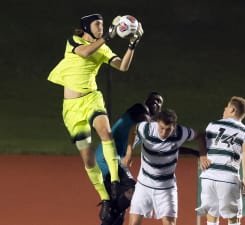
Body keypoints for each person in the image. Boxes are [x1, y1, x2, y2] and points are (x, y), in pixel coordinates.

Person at [47, 13, 144, 220]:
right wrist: (107, 36)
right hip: (72, 108)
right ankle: (105, 198)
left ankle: (116, 182)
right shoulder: (75, 40)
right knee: (88, 159)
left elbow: (123, 66)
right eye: (97, 24)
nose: (101, 27)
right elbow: (84, 52)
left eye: (102, 24)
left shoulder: (102, 47)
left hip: (92, 99)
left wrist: (132, 45)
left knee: (106, 133)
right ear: (86, 27)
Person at [122, 108, 205, 225]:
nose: (164, 133)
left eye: (168, 129)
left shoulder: (181, 132)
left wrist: (203, 154)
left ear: (174, 126)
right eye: (161, 128)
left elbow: (200, 136)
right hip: (143, 185)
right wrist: (129, 153)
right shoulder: (147, 129)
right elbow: (133, 130)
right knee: (134, 223)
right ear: (157, 123)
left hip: (166, 188)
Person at [96, 91, 164, 225]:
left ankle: (111, 211)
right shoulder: (139, 109)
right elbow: (144, 120)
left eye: (159, 102)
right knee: (134, 191)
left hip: (113, 159)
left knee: (120, 212)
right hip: (108, 156)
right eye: (153, 99)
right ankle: (111, 210)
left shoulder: (148, 128)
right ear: (146, 100)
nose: (156, 102)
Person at [196, 96, 245, 225]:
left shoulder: (212, 125)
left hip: (208, 177)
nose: (224, 109)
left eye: (227, 107)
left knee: (211, 216)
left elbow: (204, 144)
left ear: (233, 110)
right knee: (233, 219)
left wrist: (202, 156)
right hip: (228, 178)